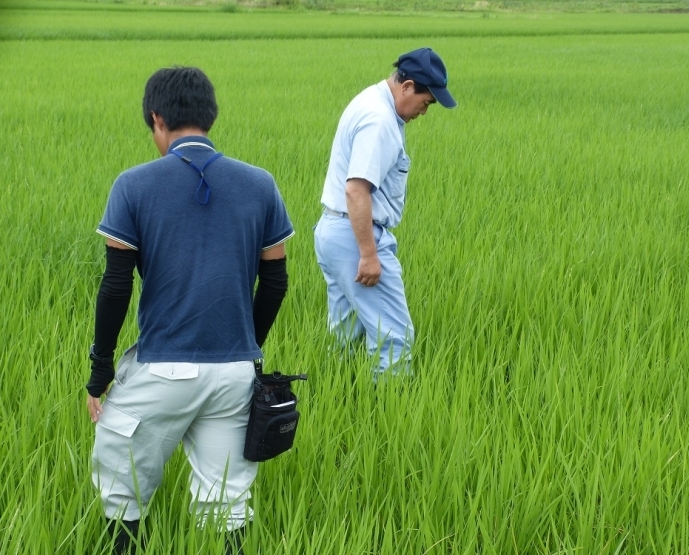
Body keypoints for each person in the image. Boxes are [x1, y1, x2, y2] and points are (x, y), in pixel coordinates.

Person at [85, 66, 294, 554]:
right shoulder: (260, 184)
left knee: (122, 485)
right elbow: (276, 282)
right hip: (235, 375)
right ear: (209, 116)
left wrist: (100, 374)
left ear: (157, 119)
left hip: (163, 370)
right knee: (227, 503)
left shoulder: (133, 185)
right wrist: (248, 346)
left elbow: (115, 287)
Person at [314, 47, 456, 378]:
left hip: (334, 232)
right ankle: (389, 414)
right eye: (427, 101)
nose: (425, 110)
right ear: (407, 86)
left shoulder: (370, 101)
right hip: (355, 237)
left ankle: (343, 403)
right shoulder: (379, 120)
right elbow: (356, 188)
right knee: (395, 338)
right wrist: (369, 254)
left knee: (346, 337)